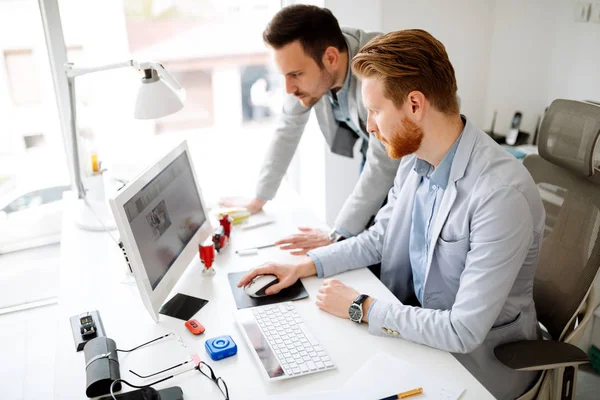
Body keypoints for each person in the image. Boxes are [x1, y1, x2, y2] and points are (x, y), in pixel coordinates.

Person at [238, 29, 545, 400]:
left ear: (414, 105)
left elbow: (463, 330)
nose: (368, 126)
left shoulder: (499, 195)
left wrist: (359, 306)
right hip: (418, 332)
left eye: (375, 110)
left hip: (479, 364)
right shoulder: (415, 157)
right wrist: (304, 266)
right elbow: (381, 237)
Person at [220, 5, 400, 255]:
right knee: (356, 236)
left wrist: (337, 233)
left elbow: (383, 165)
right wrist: (259, 197)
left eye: (295, 74)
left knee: (382, 244)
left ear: (331, 58)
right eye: (284, 75)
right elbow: (287, 128)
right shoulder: (311, 63)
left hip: (410, 157)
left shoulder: (379, 73)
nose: (288, 88)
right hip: (374, 148)